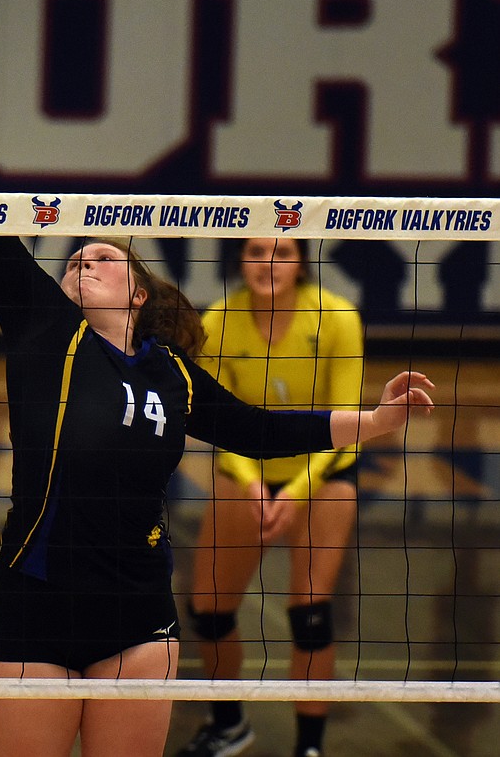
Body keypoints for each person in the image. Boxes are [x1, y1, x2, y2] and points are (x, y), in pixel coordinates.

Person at [0, 35, 436, 757]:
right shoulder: (46, 335)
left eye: (102, 258)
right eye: (75, 260)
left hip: (139, 613)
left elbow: (257, 429)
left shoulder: (174, 372)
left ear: (137, 292)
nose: (83, 261)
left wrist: (376, 423)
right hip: (35, 607)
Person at [178, 237, 364, 757]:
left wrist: (299, 489)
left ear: (301, 260)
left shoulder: (338, 317)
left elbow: (346, 420)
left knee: (310, 614)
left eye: (281, 253)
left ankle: (310, 748)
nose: (268, 263)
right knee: (209, 611)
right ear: (241, 260)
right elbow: (214, 421)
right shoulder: (219, 317)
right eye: (257, 252)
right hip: (246, 475)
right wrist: (253, 482)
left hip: (322, 477)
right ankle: (229, 724)